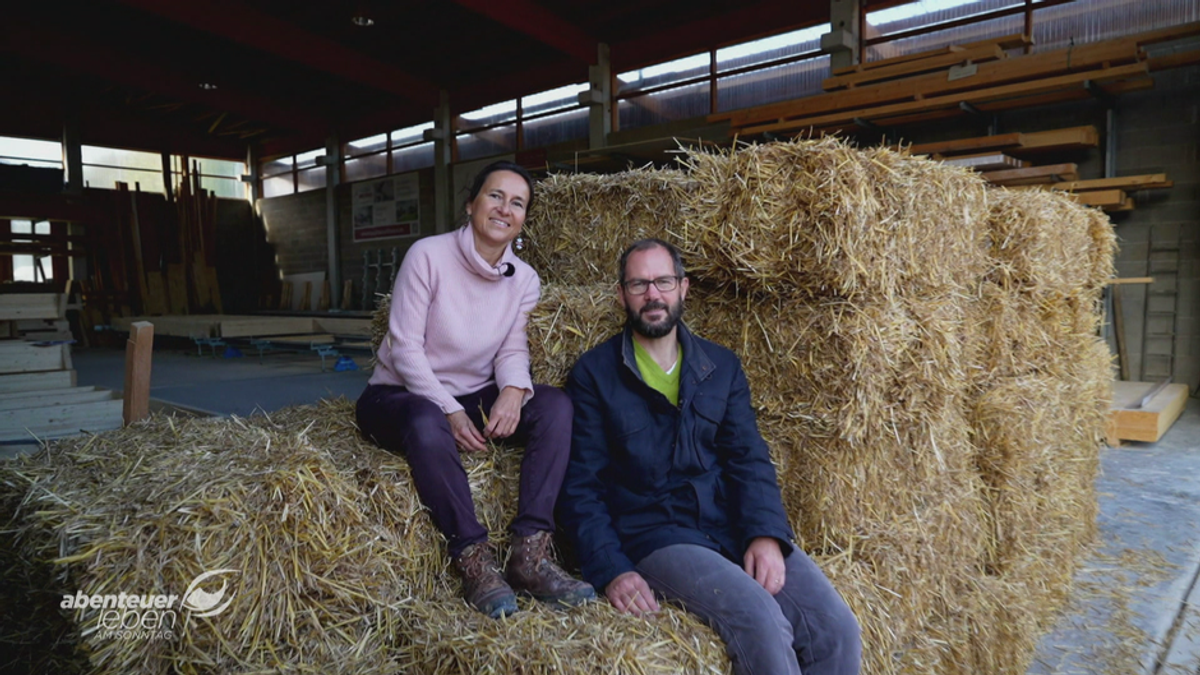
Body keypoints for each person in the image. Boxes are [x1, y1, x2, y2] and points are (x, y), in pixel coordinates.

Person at [559, 239, 861, 675]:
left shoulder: (721, 367)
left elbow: (748, 458)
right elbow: (580, 486)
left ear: (684, 288)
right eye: (639, 284)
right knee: (761, 620)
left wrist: (764, 534)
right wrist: (611, 570)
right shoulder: (594, 374)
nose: (653, 295)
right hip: (655, 535)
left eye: (663, 281)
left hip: (727, 526)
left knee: (836, 627)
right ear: (621, 294)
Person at [357, 160, 594, 619]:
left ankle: (530, 555)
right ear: (471, 204)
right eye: (495, 196)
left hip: (472, 393)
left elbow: (511, 348)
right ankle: (473, 559)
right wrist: (449, 409)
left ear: (524, 219)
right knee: (426, 418)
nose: (505, 208)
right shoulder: (427, 256)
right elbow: (405, 350)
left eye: (518, 202)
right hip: (397, 396)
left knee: (556, 406)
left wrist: (512, 389)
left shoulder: (524, 280)